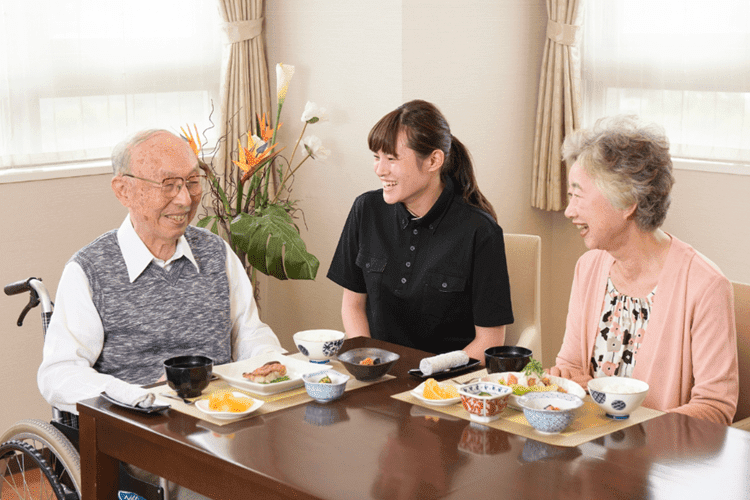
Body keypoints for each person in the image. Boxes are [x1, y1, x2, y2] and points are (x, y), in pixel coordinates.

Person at [38, 129, 285, 414]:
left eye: (192, 182)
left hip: (223, 417)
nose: (185, 199)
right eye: (168, 184)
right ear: (123, 190)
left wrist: (271, 362)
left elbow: (249, 334)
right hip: (141, 428)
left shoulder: (216, 253)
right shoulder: (90, 270)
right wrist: (138, 396)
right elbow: (59, 373)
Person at [549, 115, 739, 425]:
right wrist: (564, 379)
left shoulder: (705, 285)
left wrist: (638, 436)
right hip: (590, 453)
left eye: (578, 195)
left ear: (626, 203)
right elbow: (571, 366)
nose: (569, 211)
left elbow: (715, 409)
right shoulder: (589, 267)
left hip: (662, 464)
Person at [327, 100, 514, 360]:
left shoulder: (480, 231)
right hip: (378, 375)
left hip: (446, 386)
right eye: (376, 157)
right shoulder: (366, 209)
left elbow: (489, 341)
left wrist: (429, 379)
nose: (380, 170)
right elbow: (353, 305)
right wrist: (368, 359)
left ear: (434, 160)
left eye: (391, 159)